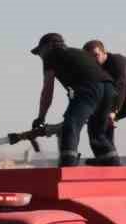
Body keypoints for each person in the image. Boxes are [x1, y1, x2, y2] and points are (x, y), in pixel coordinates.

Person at [30, 32, 115, 166]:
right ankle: (112, 162)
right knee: (98, 132)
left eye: (40, 52)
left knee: (71, 125)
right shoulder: (77, 53)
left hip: (89, 88)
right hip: (109, 88)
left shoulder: (51, 56)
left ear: (49, 46)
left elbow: (47, 90)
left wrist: (41, 117)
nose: (40, 56)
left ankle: (67, 165)